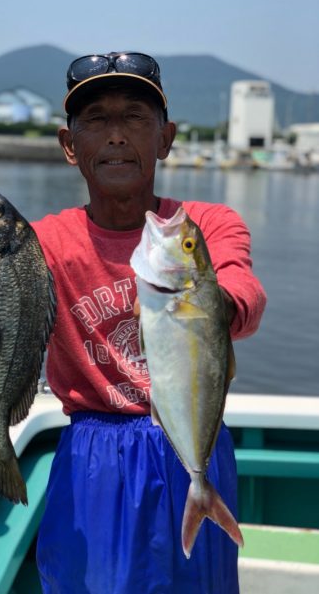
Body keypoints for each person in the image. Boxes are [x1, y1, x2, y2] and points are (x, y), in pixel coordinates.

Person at [31, 52, 266, 593]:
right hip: (93, 453)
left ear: (166, 138)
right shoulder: (45, 243)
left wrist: (207, 305)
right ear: (70, 146)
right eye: (97, 120)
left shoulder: (200, 225)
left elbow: (244, 291)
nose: (117, 135)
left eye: (135, 117)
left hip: (194, 448)